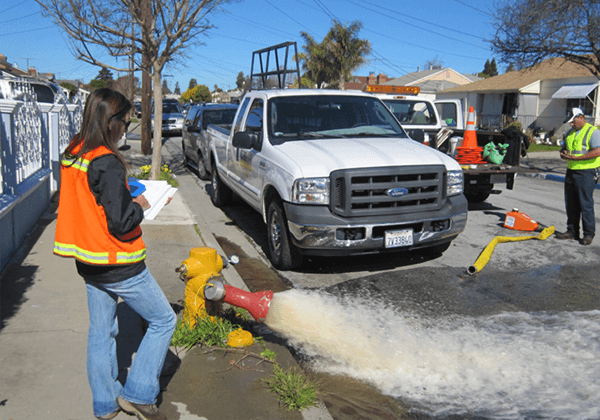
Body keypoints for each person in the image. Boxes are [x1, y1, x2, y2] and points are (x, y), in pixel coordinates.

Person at [54, 88, 177, 420]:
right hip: (118, 261)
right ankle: (138, 393)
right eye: (125, 121)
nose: (126, 127)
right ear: (111, 122)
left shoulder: (74, 152)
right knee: (164, 320)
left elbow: (92, 203)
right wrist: (140, 204)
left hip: (88, 260)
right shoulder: (106, 162)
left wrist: (121, 193)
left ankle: (106, 404)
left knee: (101, 330)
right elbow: (122, 222)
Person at [556, 107, 600, 246]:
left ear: (581, 117)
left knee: (585, 204)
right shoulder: (570, 133)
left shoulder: (593, 132)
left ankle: (588, 234)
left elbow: (598, 150)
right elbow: (564, 149)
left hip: (587, 171)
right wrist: (563, 154)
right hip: (571, 170)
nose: (571, 124)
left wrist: (580, 158)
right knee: (571, 203)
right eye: (570, 122)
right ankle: (572, 231)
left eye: (573, 121)